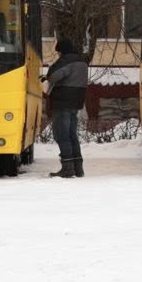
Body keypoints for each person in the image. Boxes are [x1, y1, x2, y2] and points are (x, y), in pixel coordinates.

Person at [44, 38, 90, 178]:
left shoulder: (66, 61)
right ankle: (78, 168)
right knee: (71, 135)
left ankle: (67, 168)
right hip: (75, 103)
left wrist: (53, 67)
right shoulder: (82, 61)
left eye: (58, 52)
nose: (58, 55)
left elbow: (53, 76)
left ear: (62, 51)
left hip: (63, 102)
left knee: (62, 135)